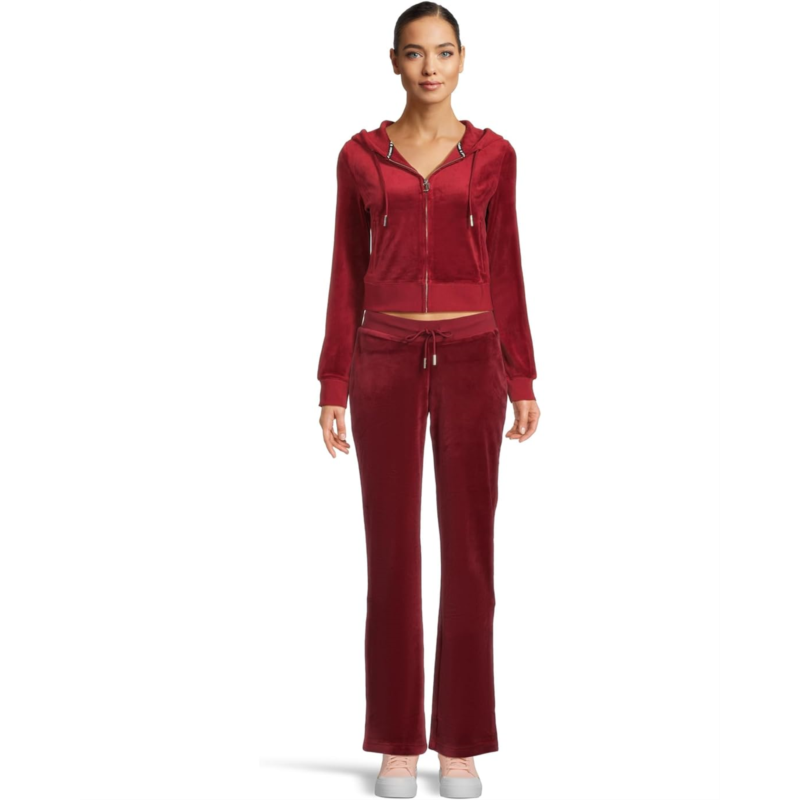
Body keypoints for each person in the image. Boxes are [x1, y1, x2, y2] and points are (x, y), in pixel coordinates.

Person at [317, 3, 541, 797]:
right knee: (393, 556)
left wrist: (521, 375)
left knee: (470, 556)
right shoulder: (359, 157)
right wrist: (333, 380)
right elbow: (346, 271)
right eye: (415, 54)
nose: (430, 67)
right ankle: (397, 742)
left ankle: (461, 743)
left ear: (463, 58)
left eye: (443, 52)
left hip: (475, 360)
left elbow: (506, 266)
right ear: (394, 62)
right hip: (382, 359)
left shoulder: (493, 155)